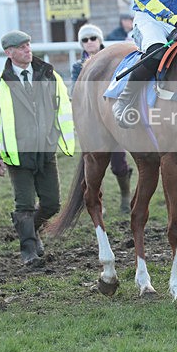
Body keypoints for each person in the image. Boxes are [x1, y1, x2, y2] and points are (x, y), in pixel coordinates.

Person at [0, 31, 75, 267]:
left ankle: (32, 228)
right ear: (9, 53)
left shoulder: (49, 76)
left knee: (52, 204)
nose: (27, 50)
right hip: (16, 156)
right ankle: (29, 252)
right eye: (21, 47)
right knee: (25, 205)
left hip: (45, 151)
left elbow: (62, 107)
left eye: (28, 45)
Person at [71, 23, 133, 213]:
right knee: (94, 163)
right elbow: (76, 92)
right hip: (91, 121)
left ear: (99, 40)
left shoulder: (114, 61)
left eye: (93, 38)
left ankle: (125, 196)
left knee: (119, 164)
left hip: (112, 116)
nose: (90, 43)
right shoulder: (77, 67)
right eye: (85, 40)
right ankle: (98, 200)